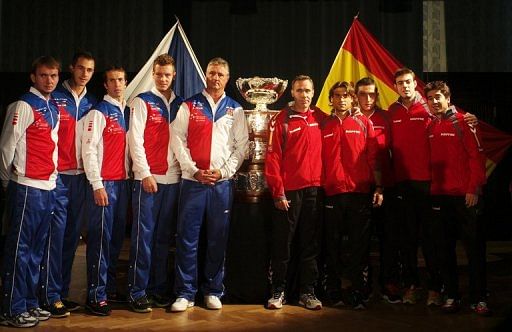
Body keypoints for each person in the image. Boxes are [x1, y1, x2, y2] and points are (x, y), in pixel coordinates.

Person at [388, 68, 477, 306]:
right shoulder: (392, 111)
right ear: (395, 86)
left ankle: (436, 288)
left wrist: (471, 119)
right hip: (402, 184)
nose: (404, 86)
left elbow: (452, 118)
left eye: (408, 82)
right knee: (407, 239)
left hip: (429, 184)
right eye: (400, 83)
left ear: (414, 84)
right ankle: (412, 286)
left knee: (432, 240)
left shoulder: (429, 109)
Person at [170, 57, 248, 312]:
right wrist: (193, 170)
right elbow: (177, 140)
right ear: (206, 75)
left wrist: (224, 172)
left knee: (217, 239)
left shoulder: (235, 109)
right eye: (212, 73)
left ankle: (213, 290)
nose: (216, 78)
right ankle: (185, 292)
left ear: (227, 78)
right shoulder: (189, 105)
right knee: (187, 239)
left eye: (221, 74)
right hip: (193, 183)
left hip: (221, 186)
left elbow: (241, 147)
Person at [0, 56, 60, 327]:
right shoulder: (23, 105)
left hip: (46, 187)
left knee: (36, 251)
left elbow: (53, 147)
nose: (49, 80)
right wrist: (7, 183)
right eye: (44, 75)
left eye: (54, 76)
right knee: (19, 250)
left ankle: (29, 302)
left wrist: (53, 179)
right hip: (25, 187)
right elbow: (6, 148)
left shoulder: (52, 108)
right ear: (33, 77)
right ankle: (11, 308)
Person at [424, 81, 490, 315]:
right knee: (445, 250)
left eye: (438, 97)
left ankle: (479, 298)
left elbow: (477, 157)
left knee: (474, 250)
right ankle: (452, 295)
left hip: (466, 197)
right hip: (440, 198)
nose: (434, 101)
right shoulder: (430, 125)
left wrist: (473, 189)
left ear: (448, 98)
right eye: (430, 98)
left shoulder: (465, 122)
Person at [39, 51, 96, 317]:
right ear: (72, 69)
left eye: (89, 70)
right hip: (58, 176)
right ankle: (47, 294)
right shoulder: (54, 99)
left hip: (81, 177)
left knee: (72, 237)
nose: (84, 74)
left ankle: (61, 293)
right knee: (55, 237)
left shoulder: (93, 103)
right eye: (81, 68)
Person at [264, 75, 327, 311]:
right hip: (289, 191)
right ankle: (278, 291)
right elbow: (272, 158)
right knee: (284, 244)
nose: (305, 95)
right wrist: (278, 192)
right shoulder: (281, 120)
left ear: (313, 92)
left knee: (310, 244)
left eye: (308, 90)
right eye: (300, 90)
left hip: (315, 190)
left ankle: (307, 292)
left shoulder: (320, 117)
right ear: (292, 92)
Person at [127, 54, 183, 313]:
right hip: (148, 179)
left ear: (174, 75)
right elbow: (134, 140)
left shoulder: (181, 103)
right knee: (143, 238)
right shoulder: (142, 101)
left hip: (173, 179)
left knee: (163, 238)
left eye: (168, 74)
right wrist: (144, 172)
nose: (163, 79)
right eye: (159, 74)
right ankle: (137, 291)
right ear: (153, 74)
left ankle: (158, 288)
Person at [321, 81, 383, 310]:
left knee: (359, 246)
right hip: (332, 194)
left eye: (345, 95)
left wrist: (379, 187)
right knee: (332, 245)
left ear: (352, 99)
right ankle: (333, 290)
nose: (341, 99)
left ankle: (359, 291)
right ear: (332, 99)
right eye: (337, 96)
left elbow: (373, 158)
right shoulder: (323, 124)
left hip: (359, 193)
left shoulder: (364, 122)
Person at [81, 66, 130, 316]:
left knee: (115, 241)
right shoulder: (98, 112)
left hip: (123, 184)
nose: (117, 84)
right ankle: (95, 295)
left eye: (121, 80)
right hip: (105, 185)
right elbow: (88, 151)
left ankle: (109, 288)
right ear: (105, 85)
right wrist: (97, 184)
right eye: (112, 80)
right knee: (100, 241)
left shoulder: (125, 111)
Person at [354, 77, 401, 304]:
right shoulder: (350, 118)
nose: (368, 99)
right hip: (359, 187)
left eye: (372, 94)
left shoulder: (386, 117)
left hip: (386, 186)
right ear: (356, 95)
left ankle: (388, 283)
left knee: (389, 238)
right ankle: (362, 285)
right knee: (360, 239)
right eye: (363, 94)